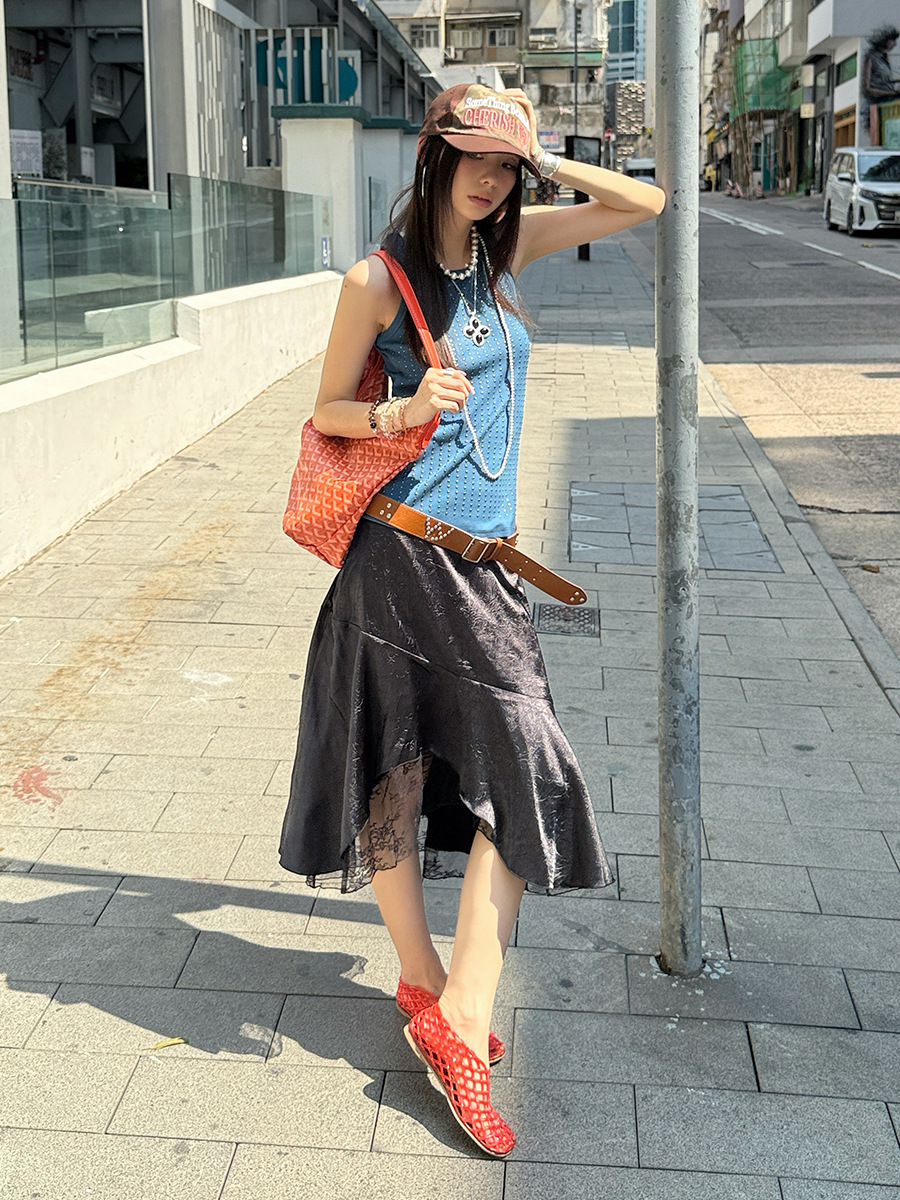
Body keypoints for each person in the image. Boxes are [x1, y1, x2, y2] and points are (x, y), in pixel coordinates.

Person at [279, 83, 665, 1158]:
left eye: (506, 167)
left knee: (525, 767)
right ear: (433, 157)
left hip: (486, 570)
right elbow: (326, 409)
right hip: (398, 556)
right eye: (474, 158)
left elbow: (646, 203)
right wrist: (401, 409)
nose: (490, 180)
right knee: (394, 769)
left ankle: (452, 1002)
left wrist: (545, 156)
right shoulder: (377, 278)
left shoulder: (508, 252)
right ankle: (436, 993)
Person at [862, 25, 900, 146]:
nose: (894, 44)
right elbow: (867, 88)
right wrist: (891, 93)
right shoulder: (871, 58)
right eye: (892, 41)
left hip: (888, 101)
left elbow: (885, 82)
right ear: (884, 41)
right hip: (876, 105)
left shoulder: (884, 58)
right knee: (880, 139)